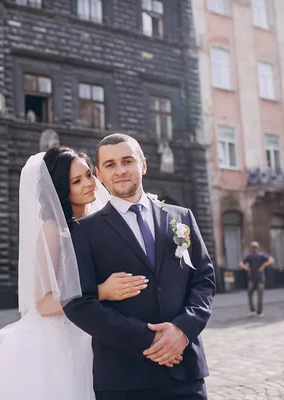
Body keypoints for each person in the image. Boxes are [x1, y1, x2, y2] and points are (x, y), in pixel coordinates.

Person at [0, 146, 148, 399]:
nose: (89, 184)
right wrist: (101, 291)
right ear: (62, 189)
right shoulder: (52, 231)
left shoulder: (98, 222)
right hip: (60, 336)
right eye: (76, 181)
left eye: (88, 175)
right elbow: (43, 303)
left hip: (96, 328)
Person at [64, 133, 216, 400]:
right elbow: (78, 303)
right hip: (124, 378)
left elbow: (204, 281)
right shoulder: (83, 231)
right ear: (99, 174)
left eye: (127, 161)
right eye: (110, 165)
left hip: (186, 369)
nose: (120, 170)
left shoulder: (182, 217)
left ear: (142, 165)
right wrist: (149, 341)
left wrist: (182, 330)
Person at [239, 241, 274, 317]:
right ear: (258, 248)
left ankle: (252, 310)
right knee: (260, 296)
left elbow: (241, 264)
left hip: (251, 278)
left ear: (251, 248)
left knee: (250, 294)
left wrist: (247, 268)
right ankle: (259, 312)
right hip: (260, 278)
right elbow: (271, 260)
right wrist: (263, 266)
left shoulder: (249, 255)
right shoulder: (261, 255)